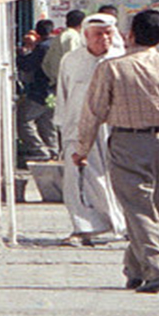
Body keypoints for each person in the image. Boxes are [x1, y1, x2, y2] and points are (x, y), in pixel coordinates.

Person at [72, 8, 159, 294]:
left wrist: (81, 148)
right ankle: (134, 268)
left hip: (126, 142)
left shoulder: (111, 68)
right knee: (150, 209)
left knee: (138, 209)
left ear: (130, 34)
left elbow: (93, 112)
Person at [55, 14, 126, 244]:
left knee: (111, 177)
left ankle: (119, 224)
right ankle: (83, 228)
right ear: (86, 35)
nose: (103, 38)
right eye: (98, 34)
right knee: (77, 178)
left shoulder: (121, 60)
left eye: (108, 33)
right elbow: (63, 94)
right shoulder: (71, 60)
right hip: (76, 128)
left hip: (111, 129)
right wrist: (63, 126)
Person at [17, 29, 58, 162]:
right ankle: (52, 150)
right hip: (54, 90)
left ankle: (39, 150)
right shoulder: (56, 44)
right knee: (47, 121)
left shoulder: (43, 47)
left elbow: (27, 65)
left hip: (41, 91)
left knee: (23, 119)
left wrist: (22, 53)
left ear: (38, 35)